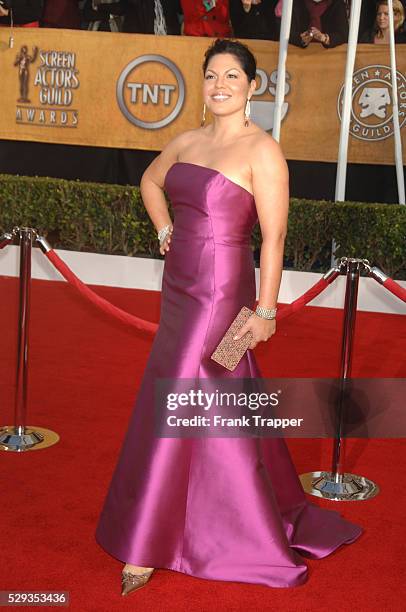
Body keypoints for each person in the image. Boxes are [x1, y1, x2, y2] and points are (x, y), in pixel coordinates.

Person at [95, 38, 362, 596]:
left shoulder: (262, 150)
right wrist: (165, 227)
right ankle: (184, 519)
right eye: (211, 75)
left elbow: (274, 236)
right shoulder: (188, 140)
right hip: (178, 289)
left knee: (195, 388)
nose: (219, 85)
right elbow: (150, 180)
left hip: (222, 292)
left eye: (231, 77)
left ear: (252, 86)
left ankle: (156, 539)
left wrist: (266, 309)